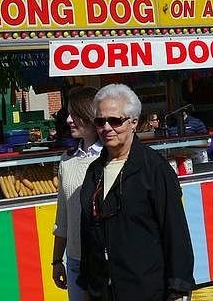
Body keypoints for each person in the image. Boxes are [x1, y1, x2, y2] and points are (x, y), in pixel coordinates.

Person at [77, 84, 194, 301]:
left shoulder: (154, 169)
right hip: (101, 291)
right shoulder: (94, 172)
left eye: (115, 121)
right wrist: (87, 286)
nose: (106, 128)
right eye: (100, 121)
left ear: (133, 123)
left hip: (145, 289)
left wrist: (178, 290)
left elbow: (175, 232)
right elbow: (88, 233)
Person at [51, 85, 101, 300]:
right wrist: (56, 260)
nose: (69, 120)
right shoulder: (67, 160)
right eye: (68, 114)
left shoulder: (110, 157)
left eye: (75, 114)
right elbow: (62, 217)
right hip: (75, 261)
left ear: (90, 115)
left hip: (105, 259)